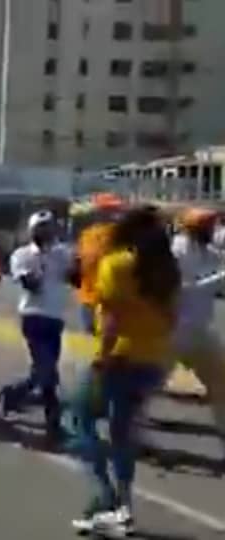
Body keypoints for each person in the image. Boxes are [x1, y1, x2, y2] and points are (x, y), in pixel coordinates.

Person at [70, 206, 180, 537]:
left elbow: (112, 321)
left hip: (120, 357)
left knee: (78, 416)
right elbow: (173, 319)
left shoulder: (116, 265)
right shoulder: (168, 270)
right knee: (123, 433)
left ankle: (105, 497)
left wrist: (102, 357)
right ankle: (124, 509)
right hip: (154, 359)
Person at [0, 211, 73, 443]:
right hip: (33, 316)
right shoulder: (21, 255)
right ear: (32, 231)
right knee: (49, 373)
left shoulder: (63, 253)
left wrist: (77, 268)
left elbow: (76, 279)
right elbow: (30, 284)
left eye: (49, 227)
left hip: (55, 317)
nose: (46, 232)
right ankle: (54, 425)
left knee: (41, 373)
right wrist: (39, 266)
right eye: (41, 228)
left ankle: (12, 395)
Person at [171, 207, 225, 470]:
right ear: (194, 228)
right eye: (208, 226)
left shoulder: (210, 252)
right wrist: (219, 280)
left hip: (200, 331)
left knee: (222, 387)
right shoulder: (176, 251)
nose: (213, 230)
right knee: (142, 387)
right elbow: (183, 291)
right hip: (172, 332)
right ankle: (128, 436)